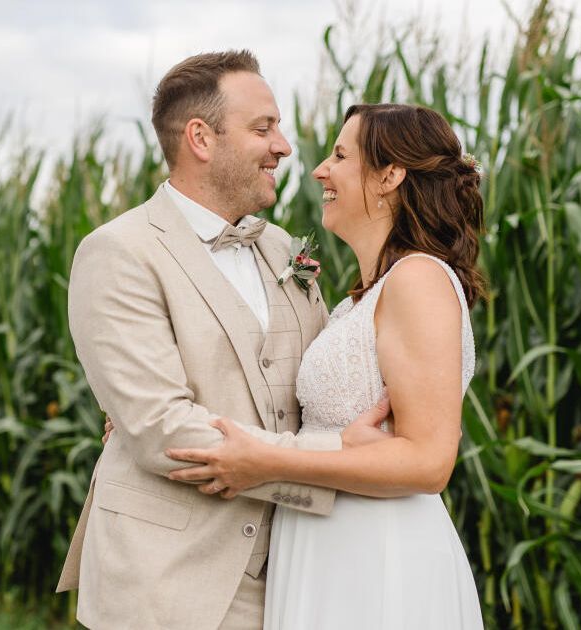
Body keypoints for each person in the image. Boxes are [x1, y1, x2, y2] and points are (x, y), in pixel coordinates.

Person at [56, 50, 385, 629]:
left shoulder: (284, 248)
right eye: (264, 128)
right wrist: (336, 464)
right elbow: (163, 430)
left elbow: (316, 383)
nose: (284, 146)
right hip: (166, 580)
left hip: (294, 574)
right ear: (201, 138)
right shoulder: (118, 252)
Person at [166, 103, 486, 628]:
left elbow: (430, 463)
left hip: (379, 552)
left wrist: (271, 462)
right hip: (324, 541)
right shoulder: (357, 301)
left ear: (389, 176)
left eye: (340, 156)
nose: (320, 170)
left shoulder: (419, 280)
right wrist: (164, 414)